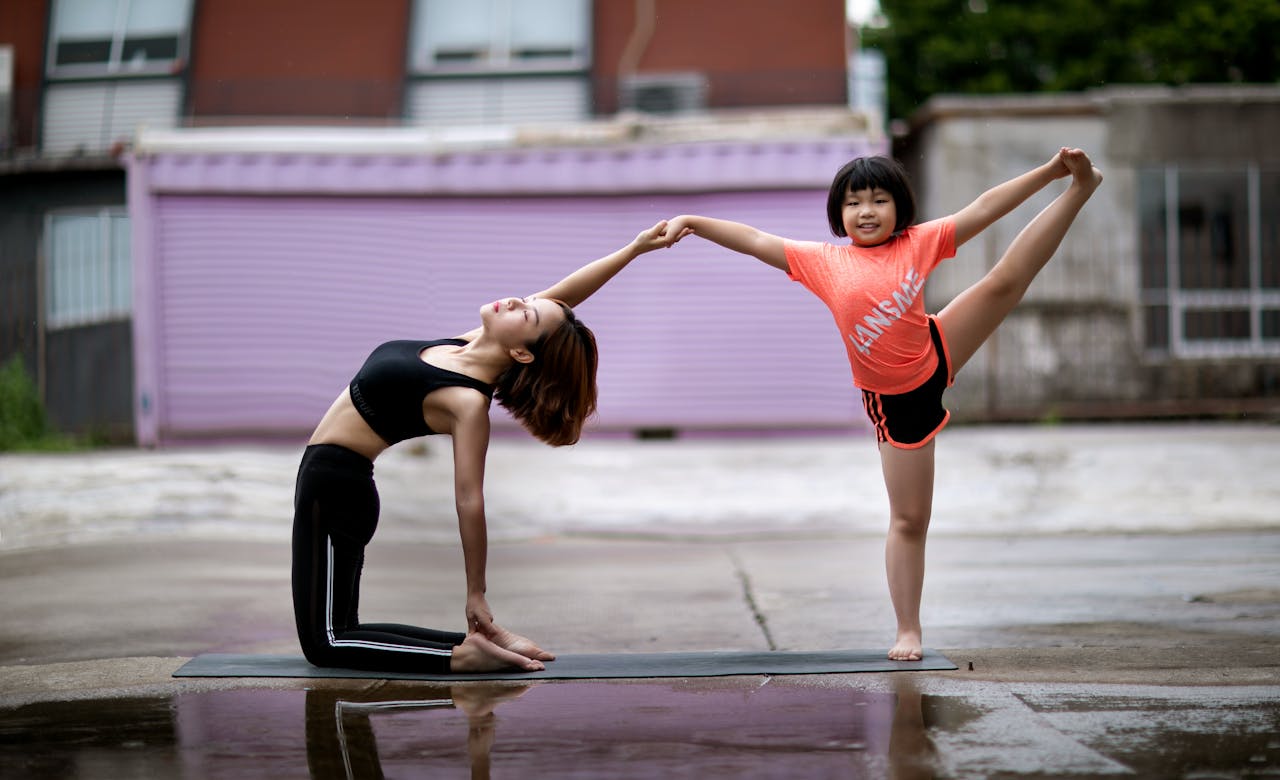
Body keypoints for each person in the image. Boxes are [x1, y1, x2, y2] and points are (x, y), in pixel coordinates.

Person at [661, 148, 1103, 660]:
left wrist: (1052, 172)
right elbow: (757, 240)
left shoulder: (918, 243)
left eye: (879, 200)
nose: (866, 211)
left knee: (1005, 282)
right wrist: (693, 221)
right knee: (910, 520)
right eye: (853, 203)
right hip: (898, 400)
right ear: (839, 214)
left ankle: (1080, 189)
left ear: (899, 208)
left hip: (938, 346)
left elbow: (983, 208)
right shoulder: (823, 262)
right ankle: (907, 630)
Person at [292, 220, 688, 674]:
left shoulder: (466, 400)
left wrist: (475, 592)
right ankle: (479, 644)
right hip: (330, 484)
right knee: (339, 630)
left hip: (337, 489)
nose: (520, 300)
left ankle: (460, 656)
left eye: (528, 314)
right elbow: (564, 298)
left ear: (522, 353)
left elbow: (470, 499)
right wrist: (634, 250)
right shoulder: (464, 345)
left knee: (327, 644)